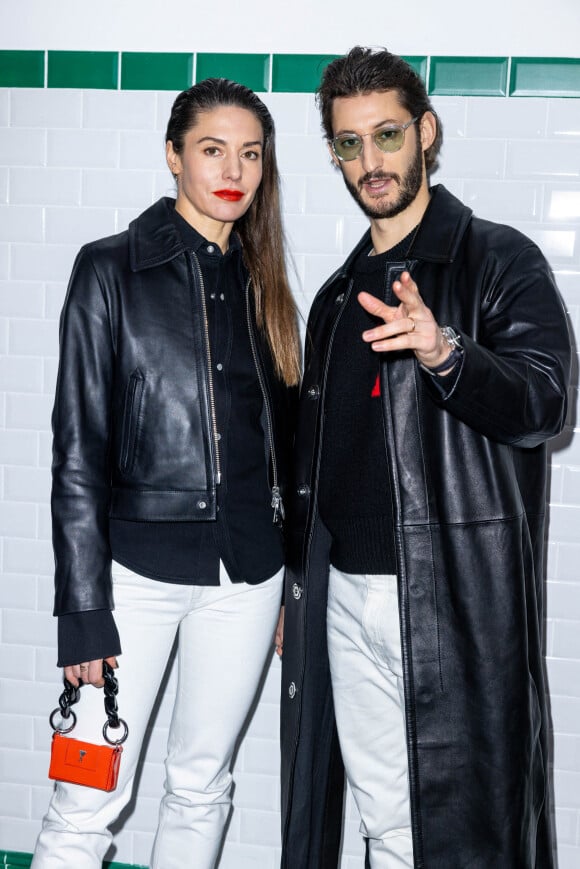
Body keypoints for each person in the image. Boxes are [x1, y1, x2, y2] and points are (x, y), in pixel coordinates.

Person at [279, 46, 571, 869]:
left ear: (427, 132)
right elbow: (317, 461)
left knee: (466, 836)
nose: (371, 161)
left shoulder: (499, 260)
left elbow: (545, 401)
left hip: (449, 599)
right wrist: (295, 586)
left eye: (388, 135)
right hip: (345, 599)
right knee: (389, 830)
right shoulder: (337, 297)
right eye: (349, 143)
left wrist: (447, 355)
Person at [32, 77, 300, 869]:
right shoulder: (109, 270)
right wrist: (82, 610)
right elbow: (76, 450)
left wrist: (286, 583)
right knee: (86, 800)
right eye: (213, 149)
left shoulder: (266, 284)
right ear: (173, 156)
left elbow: (282, 449)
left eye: (251, 153)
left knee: (202, 786)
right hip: (131, 575)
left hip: (247, 578)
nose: (234, 170)